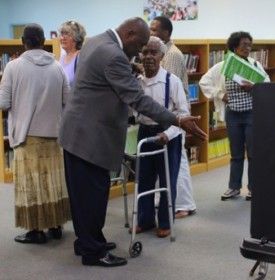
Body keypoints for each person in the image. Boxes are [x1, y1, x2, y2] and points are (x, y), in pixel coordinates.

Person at [58, 17, 206, 267]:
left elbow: (104, 76)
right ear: (128, 34)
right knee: (92, 196)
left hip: (78, 133)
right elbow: (138, 99)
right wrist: (177, 120)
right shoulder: (113, 55)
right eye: (139, 46)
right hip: (90, 138)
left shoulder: (95, 41)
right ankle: (93, 252)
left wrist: (130, 69)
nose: (139, 53)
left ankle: (88, 241)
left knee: (83, 195)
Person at [0, 24, 71, 244]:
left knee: (31, 185)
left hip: (26, 135)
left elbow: (3, 102)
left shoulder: (13, 67)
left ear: (24, 42)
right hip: (54, 134)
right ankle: (55, 225)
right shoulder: (58, 67)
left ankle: (35, 231)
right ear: (43, 41)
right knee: (53, 183)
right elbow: (68, 101)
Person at [199, 31, 270, 201]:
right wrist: (220, 94)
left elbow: (267, 83)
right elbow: (204, 82)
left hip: (252, 113)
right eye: (244, 44)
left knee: (253, 153)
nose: (247, 48)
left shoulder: (254, 64)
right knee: (236, 153)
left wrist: (254, 87)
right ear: (234, 46)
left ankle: (254, 188)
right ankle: (234, 187)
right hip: (233, 115)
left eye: (249, 44)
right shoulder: (223, 66)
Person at [133, 36, 188, 237]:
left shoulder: (171, 81)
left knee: (167, 180)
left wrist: (168, 133)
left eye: (153, 52)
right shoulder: (137, 82)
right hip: (145, 133)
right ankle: (145, 220)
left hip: (168, 135)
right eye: (145, 52)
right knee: (144, 179)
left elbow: (183, 114)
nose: (148, 57)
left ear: (162, 56)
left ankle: (165, 222)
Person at [150, 16, 197, 219]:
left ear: (167, 33)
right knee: (170, 162)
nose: (150, 33)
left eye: (154, 30)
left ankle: (184, 204)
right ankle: (167, 201)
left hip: (176, 116)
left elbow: (169, 87)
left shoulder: (171, 54)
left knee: (178, 162)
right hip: (168, 117)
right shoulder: (163, 52)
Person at [58, 20, 86, 87]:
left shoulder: (81, 57)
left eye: (67, 34)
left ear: (77, 38)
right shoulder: (62, 58)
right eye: (62, 34)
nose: (62, 38)